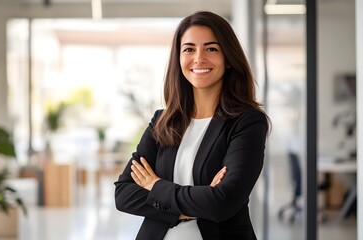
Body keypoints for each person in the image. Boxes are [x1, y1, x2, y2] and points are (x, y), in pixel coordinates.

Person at [114, 11, 270, 240]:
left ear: (228, 58)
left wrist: (156, 186)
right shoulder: (163, 121)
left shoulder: (247, 122)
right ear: (179, 58)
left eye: (211, 49)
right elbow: (124, 194)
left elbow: (223, 202)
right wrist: (194, 204)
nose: (199, 58)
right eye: (189, 49)